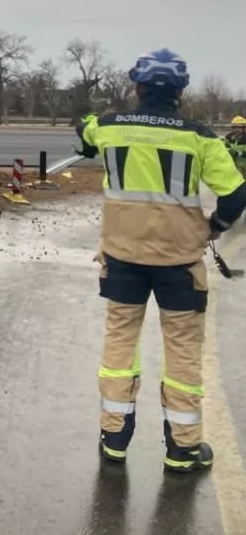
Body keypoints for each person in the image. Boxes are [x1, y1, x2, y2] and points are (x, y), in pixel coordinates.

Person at [76, 48, 246, 472]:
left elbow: (85, 134)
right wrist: (215, 227)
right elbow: (237, 194)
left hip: (122, 259)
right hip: (179, 263)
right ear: (180, 92)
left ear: (138, 87)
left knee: (119, 344)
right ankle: (183, 449)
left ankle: (114, 439)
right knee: (183, 354)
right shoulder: (201, 137)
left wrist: (85, 129)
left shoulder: (110, 127)